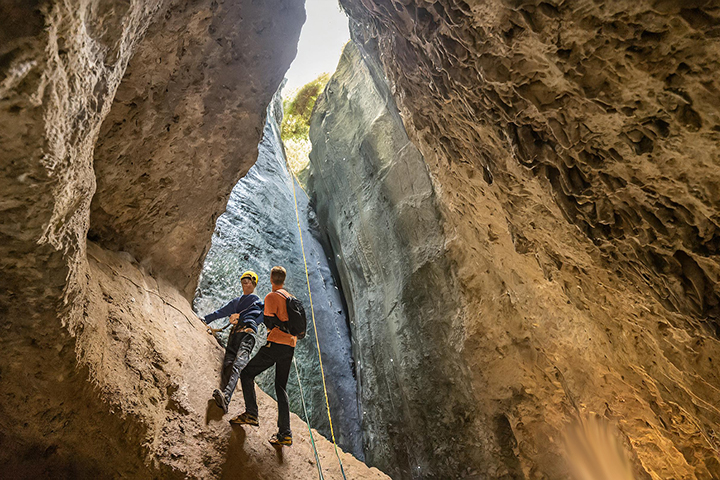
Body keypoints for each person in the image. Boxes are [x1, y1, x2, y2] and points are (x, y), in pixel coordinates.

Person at [232, 266, 297, 446]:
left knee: (247, 374)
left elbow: (268, 322)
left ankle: (251, 413)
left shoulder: (271, 297)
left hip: (275, 344)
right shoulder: (292, 298)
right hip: (290, 347)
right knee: (281, 387)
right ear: (283, 280)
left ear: (271, 279)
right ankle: (285, 433)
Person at [200, 270, 263, 414]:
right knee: (228, 364)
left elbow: (265, 316)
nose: (244, 285)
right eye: (243, 282)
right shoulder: (237, 302)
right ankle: (224, 399)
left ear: (253, 283)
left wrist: (241, 319)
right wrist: (205, 319)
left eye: (247, 282)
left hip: (247, 334)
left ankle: (226, 396)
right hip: (234, 335)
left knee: (237, 364)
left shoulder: (258, 303)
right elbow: (220, 313)